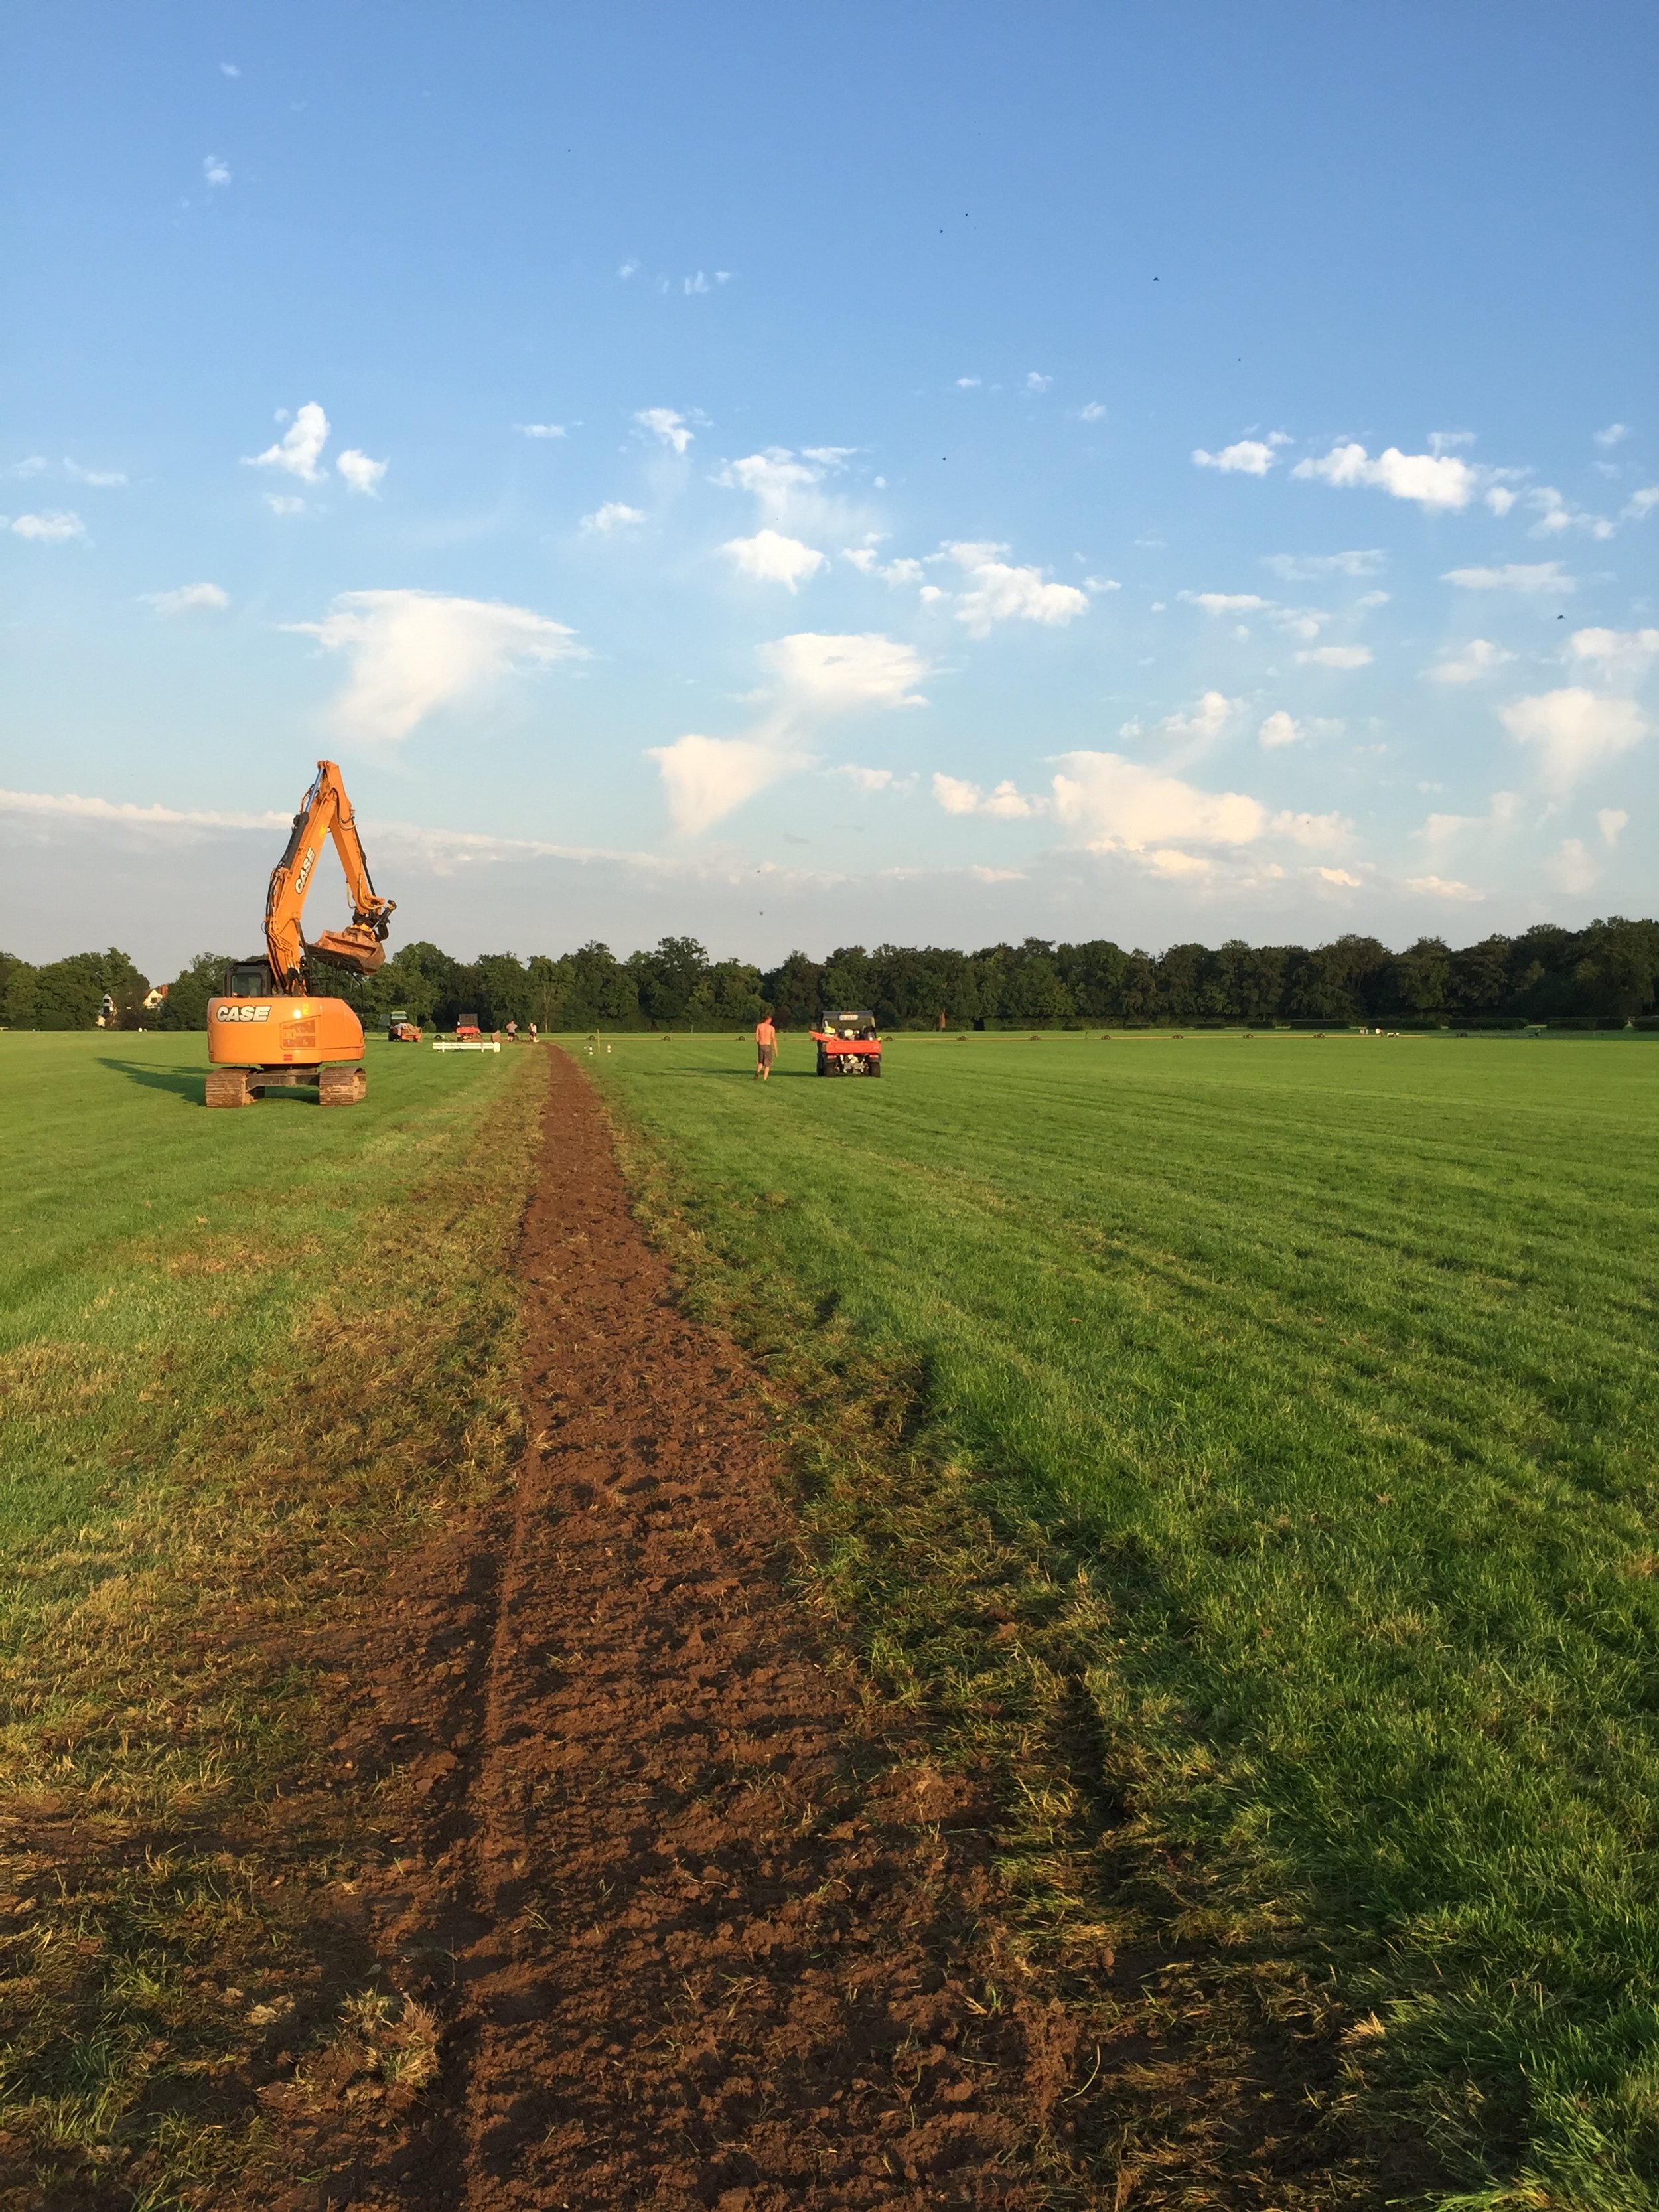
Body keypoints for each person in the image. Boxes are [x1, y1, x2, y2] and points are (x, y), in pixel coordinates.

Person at [754, 1010, 777, 1082]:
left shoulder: (759, 1026)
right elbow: (774, 1039)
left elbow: (756, 1037)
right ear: (769, 1020)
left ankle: (758, 1072)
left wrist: (759, 1043)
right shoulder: (771, 1028)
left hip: (761, 1045)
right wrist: (776, 1050)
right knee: (768, 1064)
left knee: (761, 1062)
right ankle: (765, 1078)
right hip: (767, 1045)